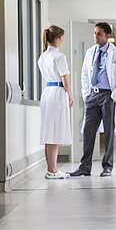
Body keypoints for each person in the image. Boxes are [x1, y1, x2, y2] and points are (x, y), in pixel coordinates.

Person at [69, 22, 116, 177]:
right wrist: (86, 95)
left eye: (99, 34)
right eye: (95, 33)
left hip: (108, 96)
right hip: (92, 96)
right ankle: (85, 166)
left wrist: (114, 96)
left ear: (107, 36)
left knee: (109, 131)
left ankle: (107, 166)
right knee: (88, 131)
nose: (96, 36)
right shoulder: (90, 52)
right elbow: (84, 74)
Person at [38, 25, 72, 179]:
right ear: (58, 39)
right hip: (58, 93)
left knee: (49, 132)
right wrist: (70, 96)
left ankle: (50, 168)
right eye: (62, 37)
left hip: (47, 93)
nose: (63, 40)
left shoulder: (42, 56)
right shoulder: (59, 56)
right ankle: (53, 170)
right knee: (55, 132)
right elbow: (65, 81)